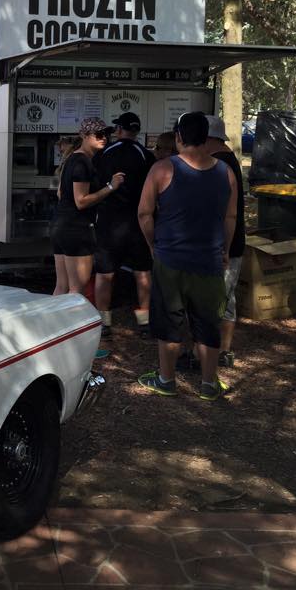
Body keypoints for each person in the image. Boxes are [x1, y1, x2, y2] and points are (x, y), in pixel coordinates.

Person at [137, 111, 237, 400]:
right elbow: (230, 217)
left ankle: (166, 380)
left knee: (169, 322)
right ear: (207, 137)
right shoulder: (225, 172)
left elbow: (144, 213)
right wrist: (226, 250)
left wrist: (152, 244)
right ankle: (209, 383)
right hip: (209, 261)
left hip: (170, 259)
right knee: (208, 323)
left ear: (179, 137)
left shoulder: (162, 169)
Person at [94, 111, 157, 338]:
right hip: (139, 221)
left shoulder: (105, 153)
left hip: (110, 222)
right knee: (142, 271)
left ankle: (104, 322)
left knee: (105, 273)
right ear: (137, 131)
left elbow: (96, 184)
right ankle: (144, 321)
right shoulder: (146, 155)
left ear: (119, 130)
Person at [52, 117, 124, 303]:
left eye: (107, 134)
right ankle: (73, 331)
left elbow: (61, 193)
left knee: (62, 286)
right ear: (84, 135)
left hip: (61, 227)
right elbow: (81, 202)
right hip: (77, 230)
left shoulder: (71, 159)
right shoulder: (82, 162)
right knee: (77, 291)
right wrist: (110, 187)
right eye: (99, 135)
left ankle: (50, 328)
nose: (104, 138)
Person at [205, 115, 245, 367]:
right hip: (232, 242)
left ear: (209, 139)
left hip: (223, 244)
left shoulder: (219, 164)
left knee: (214, 301)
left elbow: (220, 211)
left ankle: (209, 353)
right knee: (226, 299)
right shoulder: (230, 159)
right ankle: (223, 351)